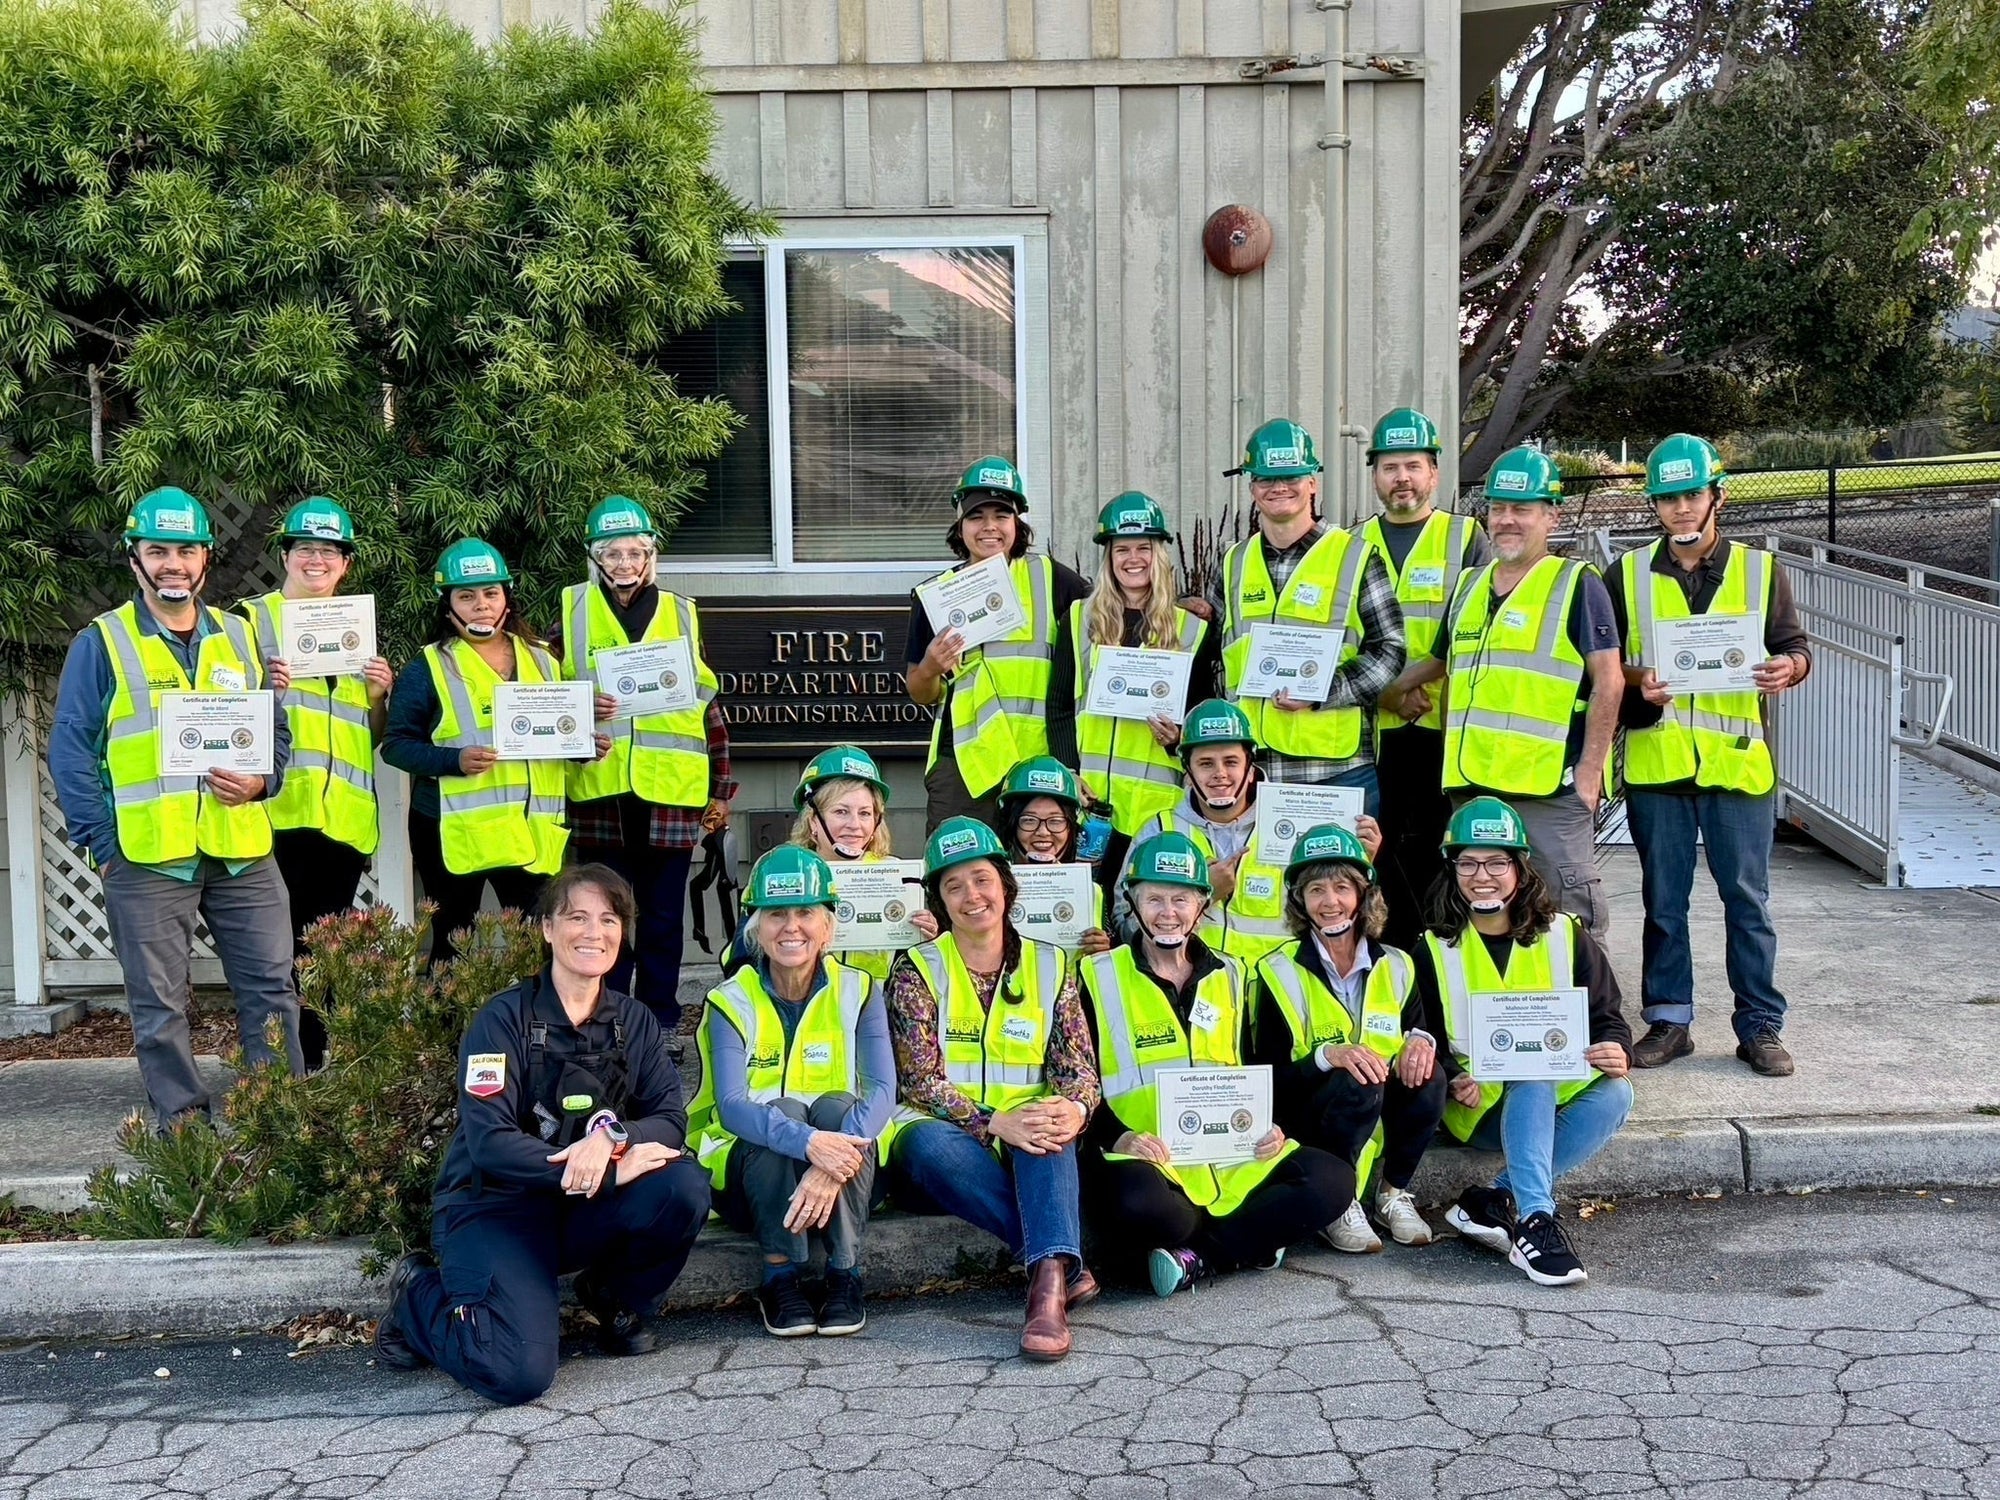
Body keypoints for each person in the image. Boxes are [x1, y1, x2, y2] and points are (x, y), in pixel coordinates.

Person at [374, 865, 709, 1404]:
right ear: (548, 929)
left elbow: (670, 1120)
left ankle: (610, 1295)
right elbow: (490, 1142)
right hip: (495, 1209)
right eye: (576, 917)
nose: (593, 932)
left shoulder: (635, 1021)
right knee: (517, 1376)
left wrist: (608, 1142)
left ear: (622, 934)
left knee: (682, 1187)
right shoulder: (500, 1019)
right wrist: (589, 1165)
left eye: (608, 919)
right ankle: (417, 1297)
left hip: (579, 1205)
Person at [50, 488, 302, 1129]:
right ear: (135, 559)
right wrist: (103, 846)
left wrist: (261, 783)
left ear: (204, 560)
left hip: (242, 847)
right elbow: (72, 751)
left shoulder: (241, 637)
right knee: (160, 1004)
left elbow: (274, 731)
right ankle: (184, 1122)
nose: (173, 564)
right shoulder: (100, 643)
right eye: (157, 550)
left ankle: (280, 1118)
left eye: (185, 550)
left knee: (273, 991)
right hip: (148, 853)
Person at [1608, 435, 1812, 1077]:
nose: (1680, 508)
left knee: (1746, 902)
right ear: (1655, 505)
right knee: (1663, 903)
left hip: (1736, 767)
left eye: (1691, 494)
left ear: (1716, 495)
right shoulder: (1627, 574)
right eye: (1667, 498)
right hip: (1658, 769)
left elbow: (1794, 645)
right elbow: (1607, 668)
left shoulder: (1760, 570)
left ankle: (1760, 1026)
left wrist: (1791, 667)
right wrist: (1641, 681)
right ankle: (1670, 1021)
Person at [1079, 833, 1352, 1297]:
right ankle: (1253, 1238)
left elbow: (1256, 1065)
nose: (1168, 912)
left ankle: (1200, 1256)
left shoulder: (1233, 974)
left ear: (1203, 903)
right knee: (1139, 1207)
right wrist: (1118, 1135)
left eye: (1181, 898)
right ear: (1132, 902)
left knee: (1333, 1181)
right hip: (1147, 1153)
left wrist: (1271, 1126)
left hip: (1230, 1152)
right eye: (1154, 899)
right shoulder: (1095, 974)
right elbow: (1078, 1080)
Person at [1382, 446, 1624, 938]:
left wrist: (1590, 772)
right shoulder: (1471, 586)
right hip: (1473, 786)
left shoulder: (1577, 583)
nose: (1507, 520)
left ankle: (1588, 1014)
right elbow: (1440, 660)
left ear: (1550, 516)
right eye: (1498, 508)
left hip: (1548, 790)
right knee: (1480, 915)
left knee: (1565, 915)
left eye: (1522, 509)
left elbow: (1610, 679)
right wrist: (1386, 691)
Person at [884, 817, 1102, 1360]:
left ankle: (1047, 1288)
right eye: (952, 886)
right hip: (943, 1135)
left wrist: (1075, 1108)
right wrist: (990, 1121)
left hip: (1024, 1135)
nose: (970, 896)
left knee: (1048, 1126)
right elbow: (919, 1079)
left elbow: (1078, 1067)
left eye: (981, 879)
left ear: (1005, 885)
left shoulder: (1054, 965)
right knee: (928, 1143)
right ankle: (1056, 1269)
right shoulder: (916, 969)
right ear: (938, 900)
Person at [1418, 798, 1633, 1287]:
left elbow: (1609, 1018)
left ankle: (1495, 1198)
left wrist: (1617, 1049)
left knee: (1618, 1092)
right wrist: (1450, 1076)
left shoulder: (1566, 935)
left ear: (1520, 868)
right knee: (1533, 1073)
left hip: (1547, 1093)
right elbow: (1422, 1031)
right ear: (1453, 869)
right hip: (1478, 1105)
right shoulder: (1432, 947)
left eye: (1497, 862)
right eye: (1468, 862)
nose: (1482, 876)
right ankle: (1538, 1221)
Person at [687, 847, 895, 1338]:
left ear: (827, 926)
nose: (791, 927)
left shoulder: (860, 989)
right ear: (756, 928)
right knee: (778, 1111)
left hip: (845, 1175)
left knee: (840, 1107)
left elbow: (884, 1088)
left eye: (805, 912)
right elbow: (735, 1107)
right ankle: (779, 1273)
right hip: (751, 1181)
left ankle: (844, 1273)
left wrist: (828, 1159)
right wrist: (808, 1144)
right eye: (777, 914)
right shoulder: (729, 999)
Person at [556, 496, 735, 1031]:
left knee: (660, 919)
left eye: (636, 552)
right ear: (595, 558)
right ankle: (606, 1018)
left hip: (671, 793)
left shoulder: (682, 611)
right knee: (603, 917)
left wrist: (720, 790)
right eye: (613, 553)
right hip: (600, 794)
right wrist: (582, 707)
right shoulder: (571, 608)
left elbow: (709, 706)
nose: (625, 563)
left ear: (651, 554)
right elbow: (548, 696)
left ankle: (657, 1019)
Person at [240, 497, 393, 1068]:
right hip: (275, 815)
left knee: (324, 954)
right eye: (306, 548)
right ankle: (276, 1070)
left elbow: (367, 733)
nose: (317, 559)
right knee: (273, 954)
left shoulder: (355, 633)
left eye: (329, 551)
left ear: (345, 565)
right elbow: (221, 711)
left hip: (342, 823)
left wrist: (379, 697)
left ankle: (316, 1064)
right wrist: (264, 690)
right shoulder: (250, 622)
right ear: (286, 555)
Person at [382, 540, 579, 965]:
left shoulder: (545, 661)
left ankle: (534, 1031)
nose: (481, 606)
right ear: (448, 604)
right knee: (454, 946)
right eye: (466, 596)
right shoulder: (429, 666)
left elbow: (558, 737)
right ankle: (451, 1034)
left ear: (507, 596)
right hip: (455, 834)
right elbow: (396, 746)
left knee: (540, 948)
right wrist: (453, 760)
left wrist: (584, 745)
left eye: (490, 593)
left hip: (531, 834)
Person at [1250, 823, 1443, 1254]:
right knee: (1358, 1077)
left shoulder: (1397, 964)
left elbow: (1417, 1026)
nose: (1330, 902)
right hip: (1309, 1110)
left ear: (1363, 895)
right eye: (1316, 889)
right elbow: (1266, 1075)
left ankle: (1392, 1194)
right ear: (1299, 899)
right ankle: (1340, 1201)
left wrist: (1421, 1041)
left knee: (1429, 1075)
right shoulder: (1275, 971)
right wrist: (1327, 1056)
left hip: (1376, 1103)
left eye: (1342, 887)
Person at [1211, 419, 1406, 812]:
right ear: (1251, 487)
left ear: (1313, 482)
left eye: (1291, 476)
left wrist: (1322, 691)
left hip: (1336, 769)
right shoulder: (1232, 563)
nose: (1278, 487)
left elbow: (1390, 650)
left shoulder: (1355, 557)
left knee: (1339, 876)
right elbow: (1217, 656)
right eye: (1266, 478)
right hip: (1252, 771)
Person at [1355, 410, 1492, 950]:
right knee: (1379, 856)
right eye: (1390, 467)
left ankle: (1432, 966)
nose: (1402, 478)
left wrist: (1412, 689)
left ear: (1435, 473)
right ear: (1374, 476)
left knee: (1438, 858)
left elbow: (1481, 630)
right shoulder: (1348, 543)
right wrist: (1387, 691)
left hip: (1443, 732)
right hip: (1372, 734)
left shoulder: (1466, 539)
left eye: (1413, 465)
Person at [1115, 700, 1381, 968]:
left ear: (1250, 769)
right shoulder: (1159, 830)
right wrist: (1204, 897)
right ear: (1188, 770)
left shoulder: (1299, 821)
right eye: (1206, 763)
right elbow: (1125, 929)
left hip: (1276, 992)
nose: (1220, 774)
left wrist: (1358, 867)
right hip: (1196, 994)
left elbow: (1337, 918)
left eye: (1231, 762)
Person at [904, 457, 1090, 833]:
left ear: (1017, 523)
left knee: (1036, 880)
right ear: (960, 525)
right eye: (976, 516)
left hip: (1037, 759)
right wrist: (931, 667)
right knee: (958, 872)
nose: (989, 527)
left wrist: (1177, 605)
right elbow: (919, 692)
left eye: (1001, 515)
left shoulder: (1053, 579)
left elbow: (1112, 612)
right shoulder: (937, 595)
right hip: (966, 765)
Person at [1047, 493, 1219, 876]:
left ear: (1159, 555)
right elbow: (1058, 705)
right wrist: (1068, 774)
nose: (1133, 559)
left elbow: (1201, 721)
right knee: (1090, 909)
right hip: (1089, 802)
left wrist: (1178, 739)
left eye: (1144, 547)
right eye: (1121, 549)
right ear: (1108, 557)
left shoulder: (1192, 629)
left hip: (1155, 806)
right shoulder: (1078, 619)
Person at [720, 746, 939, 987]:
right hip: (801, 1012)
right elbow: (740, 961)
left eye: (865, 813)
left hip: (872, 1013)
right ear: (813, 820)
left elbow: (911, 975)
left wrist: (924, 938)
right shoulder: (779, 871)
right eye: (841, 812)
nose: (855, 825)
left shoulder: (897, 876)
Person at [994, 756, 1112, 961]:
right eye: (1029, 820)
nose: (1043, 832)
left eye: (1056, 821)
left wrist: (1101, 953)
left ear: (1070, 827)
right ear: (1011, 825)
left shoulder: (1091, 892)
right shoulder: (988, 887)